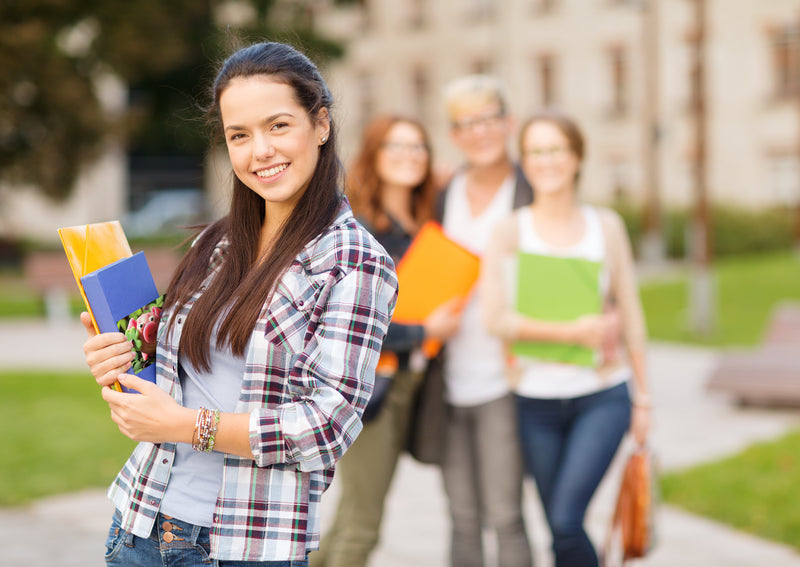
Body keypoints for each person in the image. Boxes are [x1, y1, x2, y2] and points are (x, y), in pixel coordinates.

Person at [79, 41, 398, 566]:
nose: (260, 151)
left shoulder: (355, 261)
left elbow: (326, 426)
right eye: (239, 136)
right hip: (140, 523)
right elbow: (178, 375)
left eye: (278, 126)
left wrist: (184, 426)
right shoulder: (219, 242)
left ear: (320, 124)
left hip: (244, 547)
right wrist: (118, 356)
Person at [481, 108, 651, 567]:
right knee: (560, 532)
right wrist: (570, 330)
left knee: (566, 522)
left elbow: (632, 316)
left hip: (601, 395)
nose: (546, 160)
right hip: (535, 401)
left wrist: (645, 400)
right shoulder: (511, 230)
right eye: (535, 151)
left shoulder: (606, 226)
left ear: (577, 157)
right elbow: (494, 319)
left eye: (556, 149)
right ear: (525, 161)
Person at [310, 114, 461, 567]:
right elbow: (349, 321)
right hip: (366, 389)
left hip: (408, 386)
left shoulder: (425, 220)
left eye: (417, 147)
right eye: (395, 147)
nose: (408, 156)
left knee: (351, 515)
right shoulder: (357, 226)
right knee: (363, 523)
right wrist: (424, 332)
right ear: (374, 155)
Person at [435, 74, 534, 567]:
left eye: (489, 118)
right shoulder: (444, 192)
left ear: (508, 122)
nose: (480, 132)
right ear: (454, 134)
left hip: (504, 379)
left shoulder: (530, 191)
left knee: (506, 515)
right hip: (449, 378)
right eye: (466, 123)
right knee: (461, 516)